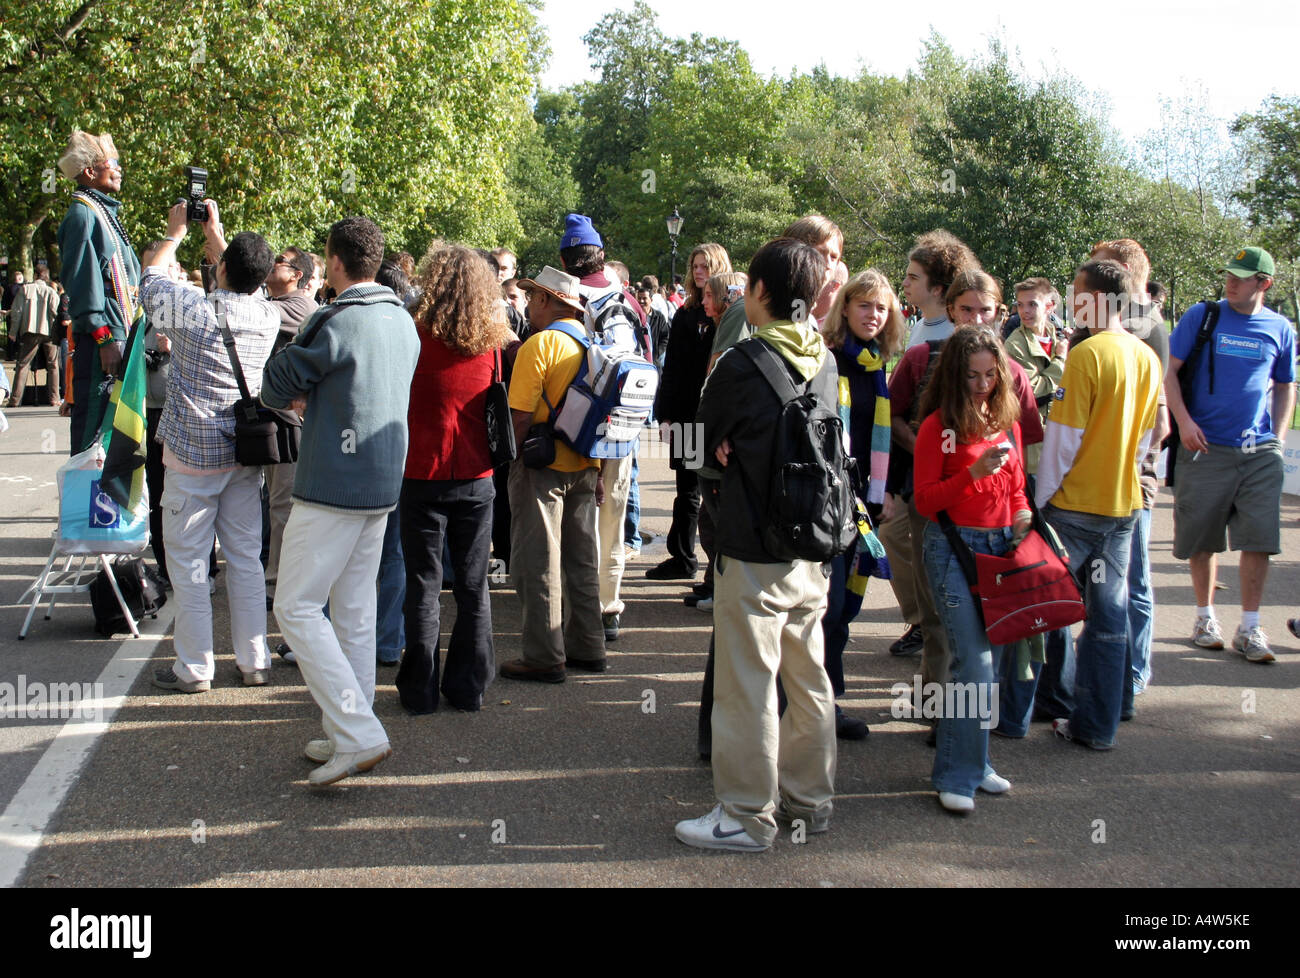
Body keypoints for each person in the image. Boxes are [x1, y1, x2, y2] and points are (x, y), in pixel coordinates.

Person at [676, 236, 836, 851]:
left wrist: (721, 452)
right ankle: (809, 802)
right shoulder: (824, 360)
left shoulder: (742, 364)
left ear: (760, 292)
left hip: (751, 542)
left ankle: (745, 815)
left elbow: (692, 447)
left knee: (747, 685)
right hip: (810, 542)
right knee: (808, 678)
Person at [261, 216, 420, 786]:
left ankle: (356, 732)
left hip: (333, 482)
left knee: (297, 607)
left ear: (332, 261)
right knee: (353, 609)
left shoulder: (334, 319)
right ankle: (347, 728)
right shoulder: (402, 320)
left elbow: (274, 385)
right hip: (382, 481)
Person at [140, 200, 279, 694]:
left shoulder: (192, 311)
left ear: (221, 268)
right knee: (245, 560)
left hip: (192, 459)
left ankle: (195, 669)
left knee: (192, 568)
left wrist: (178, 232)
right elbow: (247, 280)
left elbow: (149, 281)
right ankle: (254, 662)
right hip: (246, 457)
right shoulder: (266, 313)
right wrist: (217, 235)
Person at [1037, 259, 1162, 749]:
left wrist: (1041, 501)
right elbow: (1147, 438)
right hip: (1123, 506)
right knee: (1109, 620)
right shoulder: (1145, 356)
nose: (1073, 301)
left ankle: (1047, 703)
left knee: (1047, 609)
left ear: (1096, 299)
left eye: (1077, 293)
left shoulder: (1087, 355)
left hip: (1074, 508)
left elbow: (1064, 440)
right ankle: (1101, 724)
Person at [914, 327, 1029, 812]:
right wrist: (971, 475)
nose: (982, 384)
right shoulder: (938, 426)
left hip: (1002, 550)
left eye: (990, 374)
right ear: (955, 376)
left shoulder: (1006, 420)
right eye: (972, 376)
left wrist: (1022, 515)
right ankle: (955, 776)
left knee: (991, 664)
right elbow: (924, 499)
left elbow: (1019, 486)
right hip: (952, 549)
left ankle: (975, 764)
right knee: (974, 664)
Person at [1164, 246, 1295, 664]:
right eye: (1229, 274)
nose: (1231, 281)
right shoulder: (1203, 316)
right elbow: (1170, 374)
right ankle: (1205, 617)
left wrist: (1277, 436)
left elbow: (1285, 384)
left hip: (1257, 452)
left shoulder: (1281, 328)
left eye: (1242, 276)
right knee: (1203, 539)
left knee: (1258, 539)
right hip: (1205, 447)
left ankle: (1251, 627)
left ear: (1264, 283)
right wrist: (1183, 422)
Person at [398, 242, 509, 713]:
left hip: (421, 471)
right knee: (471, 584)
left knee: (423, 584)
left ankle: (420, 689)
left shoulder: (413, 336)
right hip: (474, 474)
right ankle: (467, 686)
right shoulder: (491, 344)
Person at [501, 265, 607, 681]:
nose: (527, 303)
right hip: (586, 462)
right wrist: (598, 471)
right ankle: (589, 646)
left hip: (541, 466)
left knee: (538, 562)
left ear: (547, 300)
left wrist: (510, 460)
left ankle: (545, 656)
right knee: (582, 561)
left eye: (532, 296)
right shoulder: (592, 344)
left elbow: (520, 416)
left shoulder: (539, 345)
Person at [880, 231, 982, 657]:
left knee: (908, 540)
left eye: (913, 276)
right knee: (899, 538)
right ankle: (926, 622)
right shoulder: (922, 326)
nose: (905, 283)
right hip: (915, 462)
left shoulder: (948, 335)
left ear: (938, 289)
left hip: (944, 470)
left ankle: (932, 625)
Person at [819, 268, 905, 739]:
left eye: (881, 307)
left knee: (845, 607)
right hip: (832, 502)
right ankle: (815, 708)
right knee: (828, 607)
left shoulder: (876, 365)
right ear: (846, 308)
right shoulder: (829, 359)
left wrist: (883, 488)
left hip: (864, 505)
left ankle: (826, 703)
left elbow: (878, 436)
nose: (873, 314)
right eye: (864, 305)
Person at [1086, 239, 1168, 703]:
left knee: (1128, 583)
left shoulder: (1140, 325)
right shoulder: (1118, 323)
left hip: (1129, 482)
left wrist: (1132, 472)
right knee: (1108, 586)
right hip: (1112, 480)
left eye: (1099, 271)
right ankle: (1113, 681)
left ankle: (1129, 678)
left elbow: (1156, 421)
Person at [649, 242, 731, 581]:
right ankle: (682, 556)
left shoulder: (730, 314)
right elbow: (673, 370)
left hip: (711, 415)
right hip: (685, 414)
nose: (699, 272)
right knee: (686, 490)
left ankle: (712, 568)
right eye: (695, 266)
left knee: (707, 493)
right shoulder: (684, 313)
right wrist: (664, 413)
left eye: (705, 266)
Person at [55, 131, 140, 453]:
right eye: (111, 164)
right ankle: (88, 501)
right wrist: (104, 340)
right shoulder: (82, 215)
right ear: (89, 172)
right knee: (94, 436)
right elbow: (83, 285)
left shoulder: (102, 212)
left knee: (116, 438)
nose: (118, 170)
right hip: (103, 344)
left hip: (120, 337)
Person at [262, 246, 318, 604]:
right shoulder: (273, 302)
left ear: (297, 275)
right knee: (275, 501)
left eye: (278, 262)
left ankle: (278, 580)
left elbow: (246, 310)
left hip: (290, 425)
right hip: (272, 423)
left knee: (284, 502)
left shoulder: (300, 306)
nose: (270, 266)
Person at [6, 267, 61, 407]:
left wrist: (13, 332)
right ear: (46, 277)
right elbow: (56, 313)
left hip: (29, 331)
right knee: (53, 365)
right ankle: (54, 398)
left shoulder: (25, 289)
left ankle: (15, 400)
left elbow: (17, 312)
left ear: (35, 275)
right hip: (48, 332)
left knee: (23, 365)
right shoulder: (51, 291)